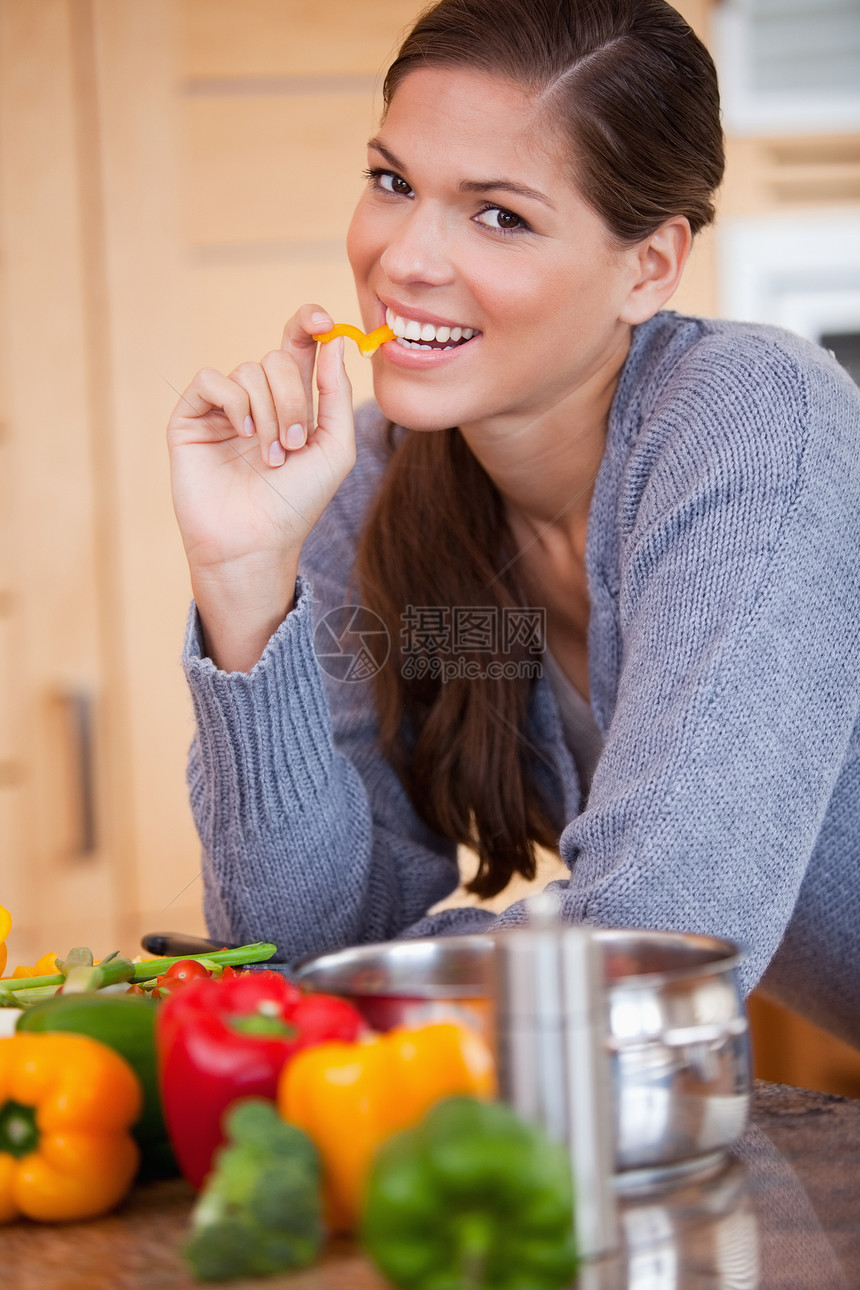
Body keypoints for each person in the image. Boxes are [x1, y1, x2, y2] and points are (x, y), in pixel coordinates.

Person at [167, 0, 860, 1047]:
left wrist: (363, 996)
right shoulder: (371, 492)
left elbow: (655, 938)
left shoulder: (752, 423)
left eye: (498, 214)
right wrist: (243, 579)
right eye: (392, 182)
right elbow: (297, 950)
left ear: (648, 267)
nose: (403, 259)